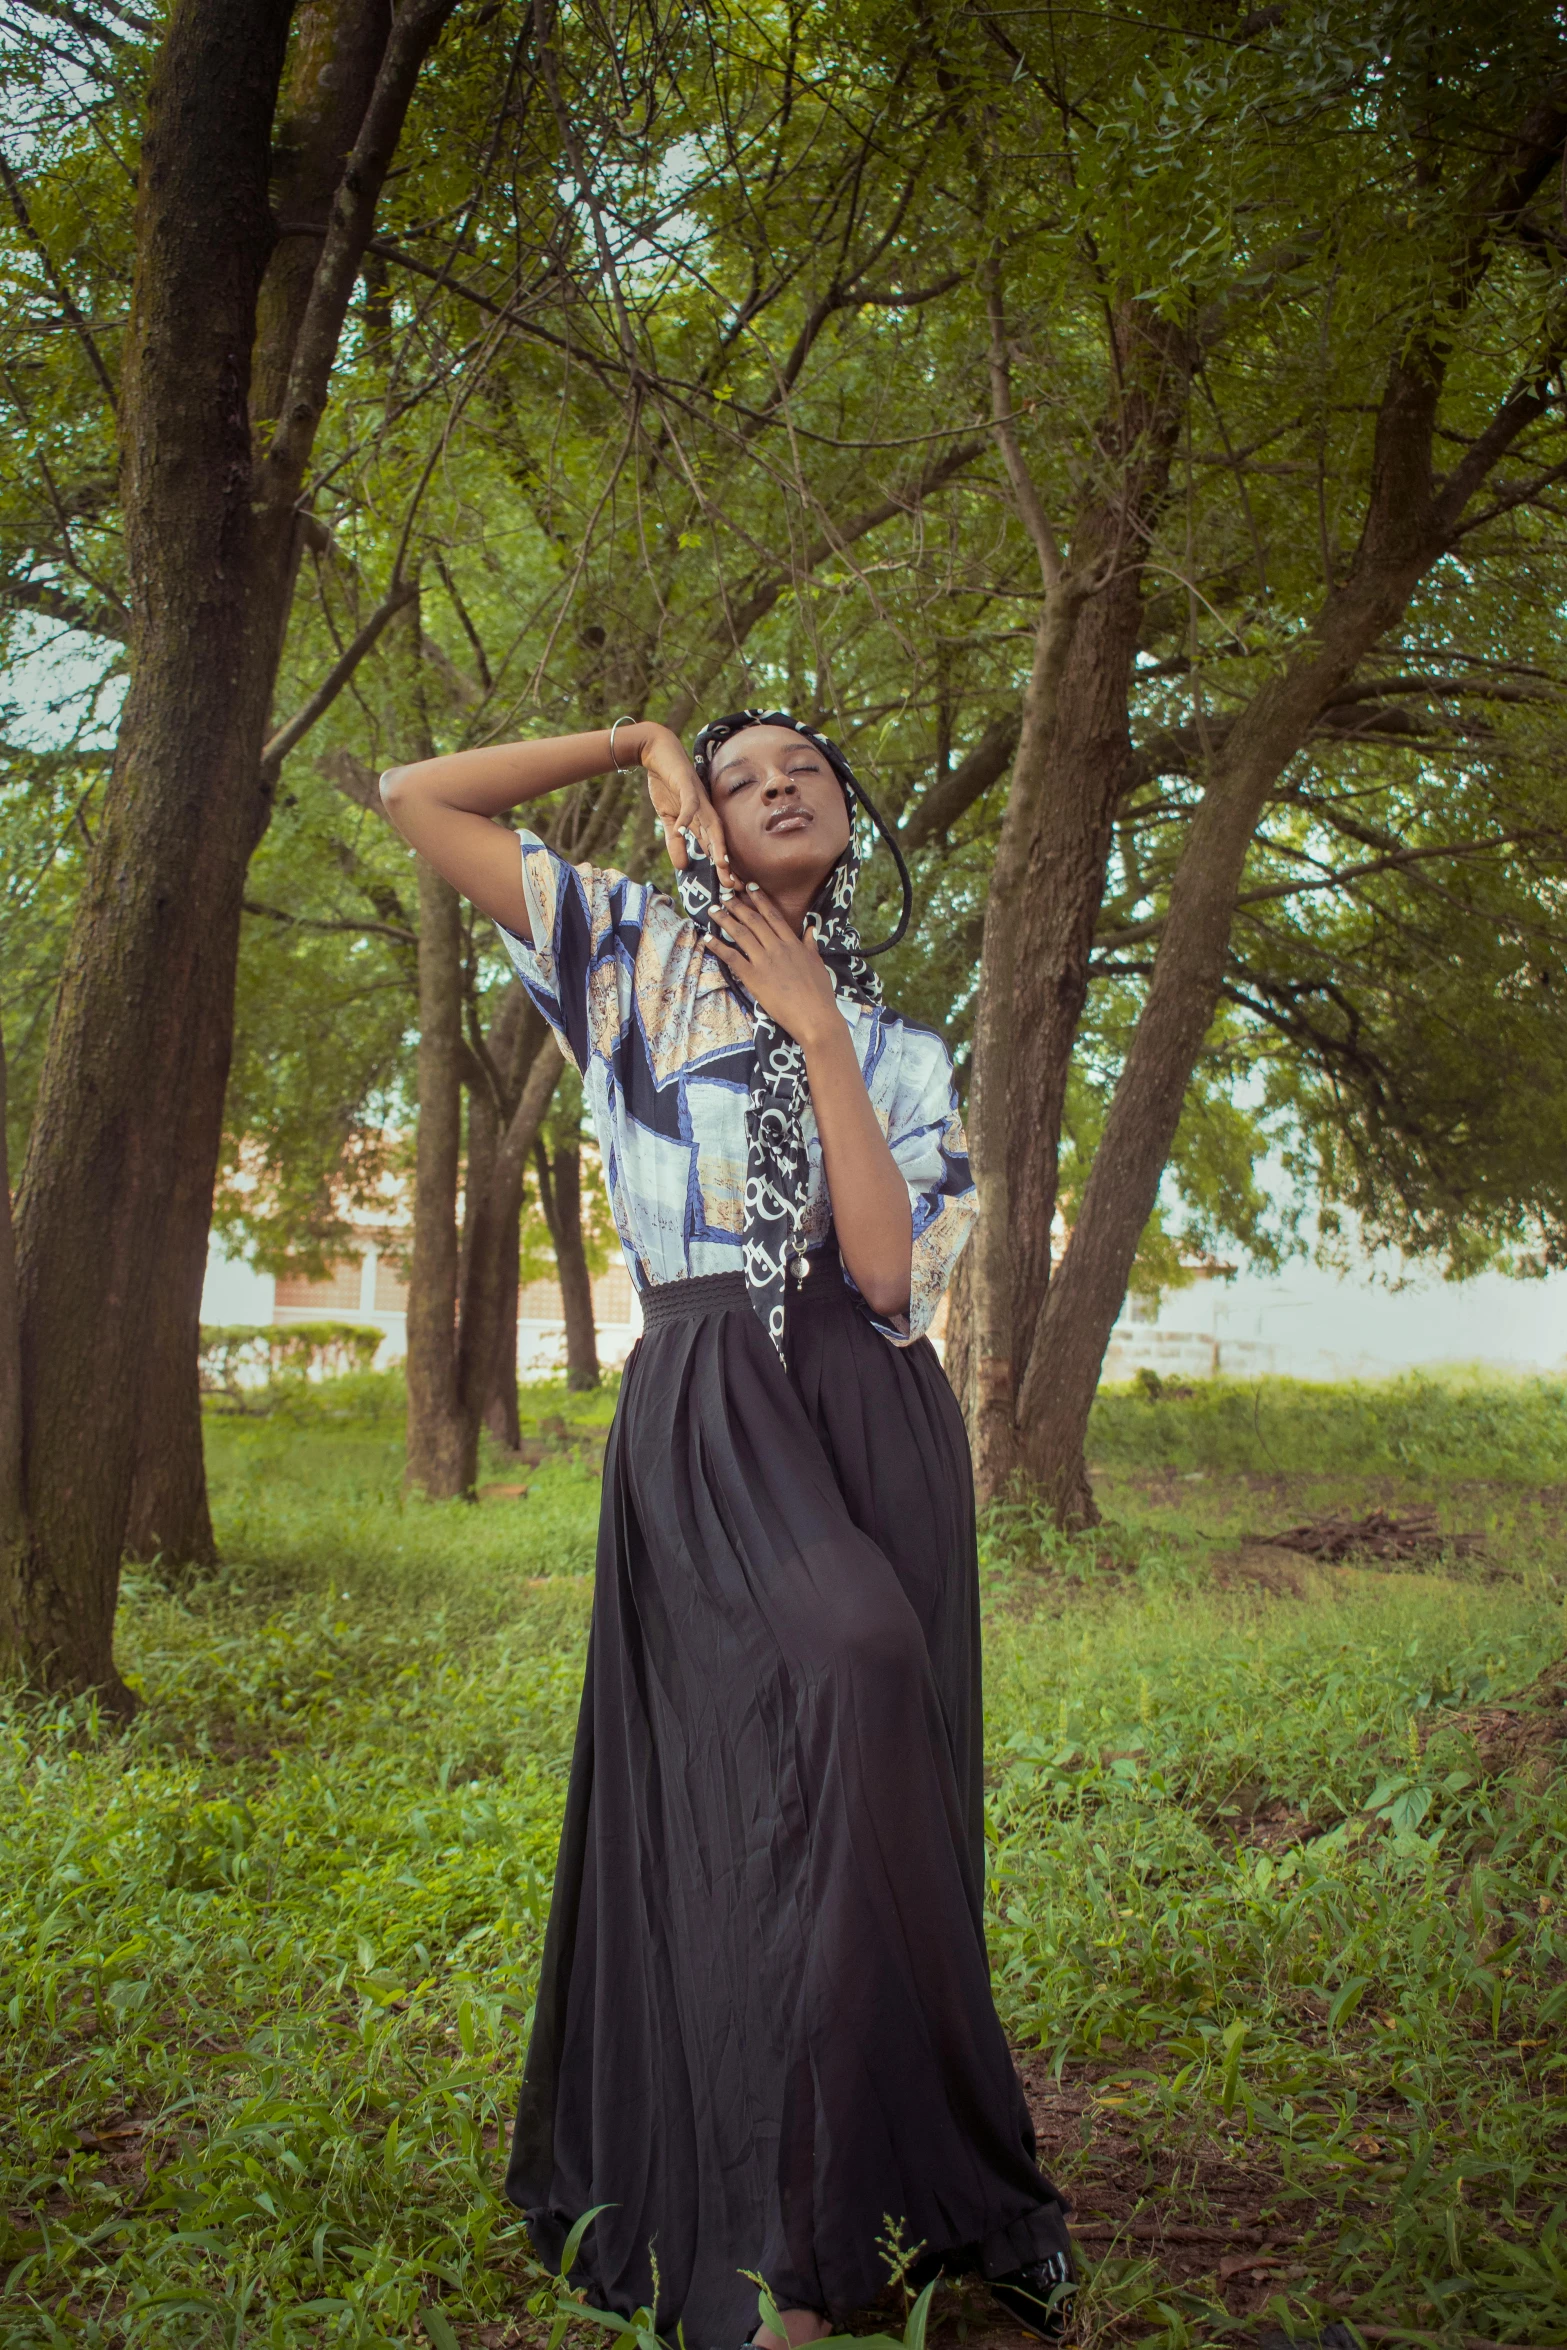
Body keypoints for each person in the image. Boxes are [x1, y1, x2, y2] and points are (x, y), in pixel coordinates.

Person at [379, 714, 1076, 2350]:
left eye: (814, 771)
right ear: (706, 804)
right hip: (706, 1388)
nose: (780, 780)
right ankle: (762, 2220)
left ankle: (879, 2207)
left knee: (862, 1776)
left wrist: (817, 1033)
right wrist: (637, 740)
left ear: (854, 824)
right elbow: (418, 796)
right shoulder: (620, 945)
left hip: (863, 1399)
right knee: (832, 1683)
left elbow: (893, 1277)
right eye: (746, 763)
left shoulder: (899, 1047)